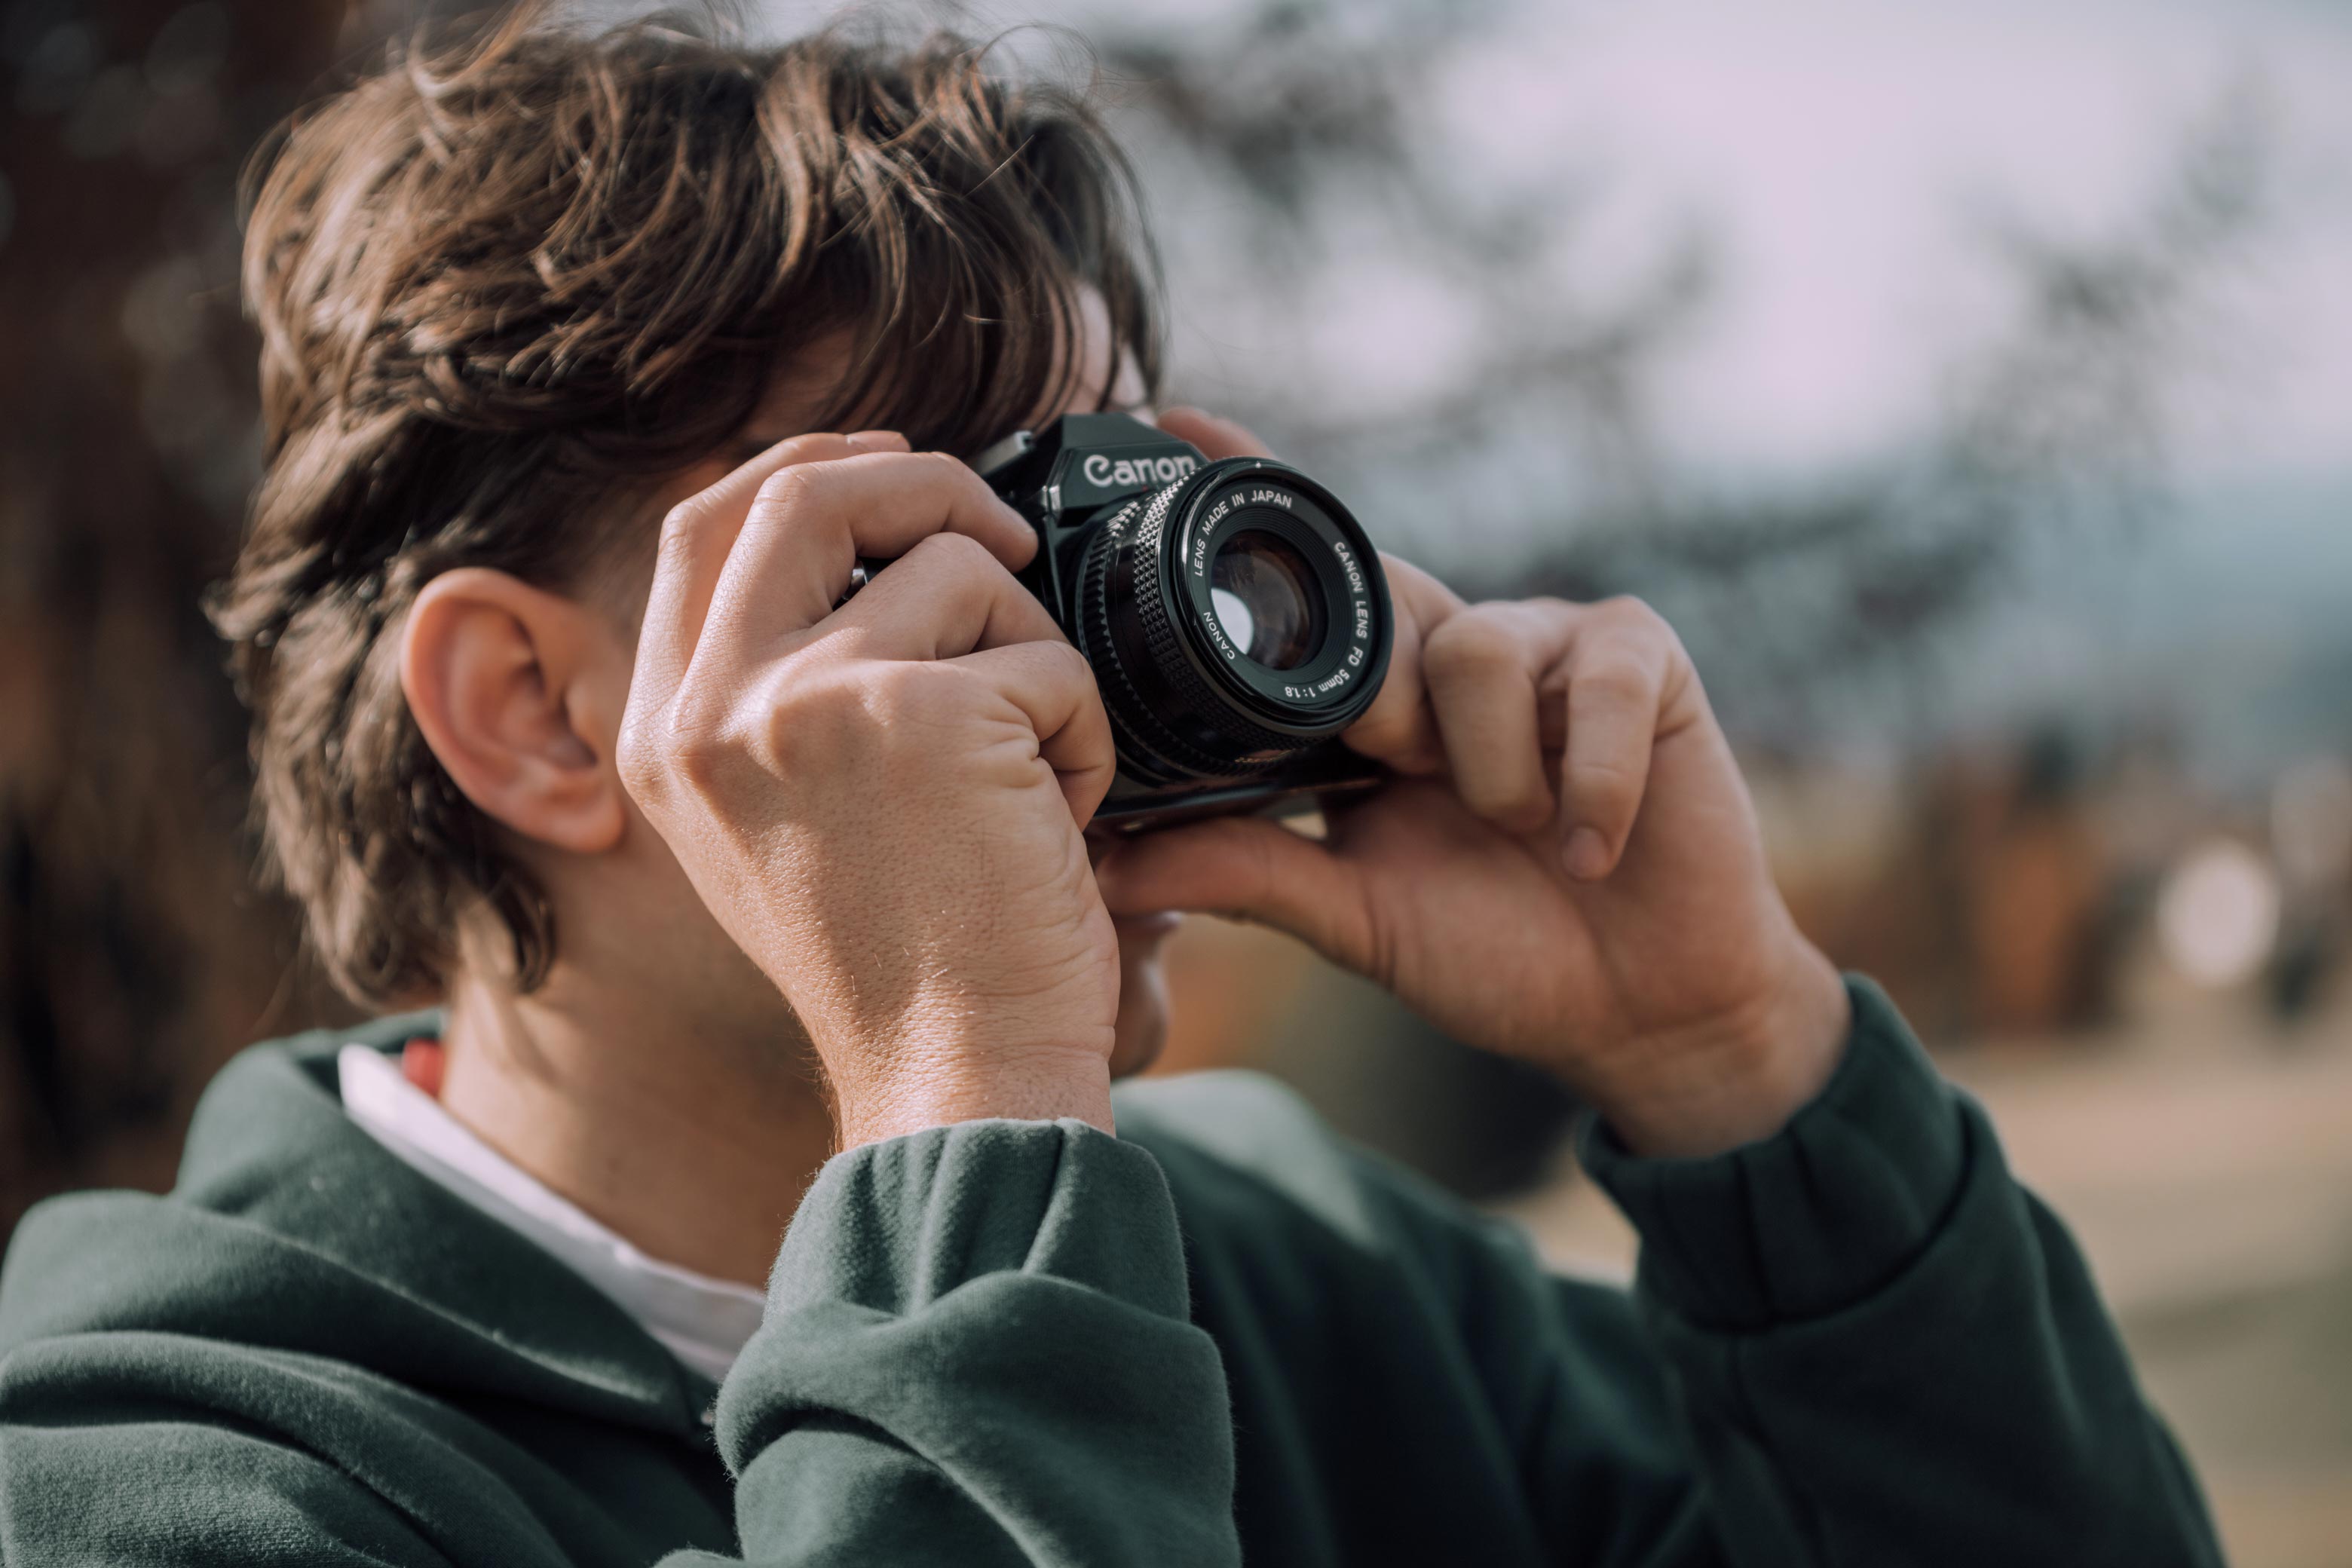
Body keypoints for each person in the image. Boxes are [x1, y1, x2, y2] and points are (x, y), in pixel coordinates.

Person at [0, 11, 2221, 1566]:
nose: (1074, 676)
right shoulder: (165, 1484)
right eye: (934, 560)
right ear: (535, 713)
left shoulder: (1305, 1275)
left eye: (1094, 521)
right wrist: (967, 1107)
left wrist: (1742, 1068)